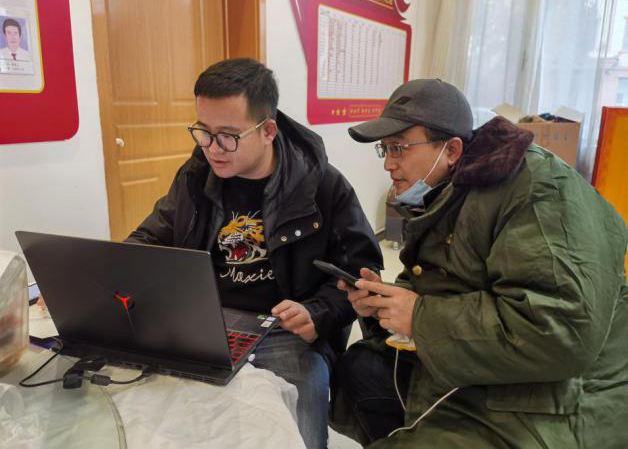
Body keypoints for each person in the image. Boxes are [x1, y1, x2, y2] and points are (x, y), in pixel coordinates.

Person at [330, 79, 628, 448]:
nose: (389, 164)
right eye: (385, 149)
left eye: (399, 148)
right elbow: (446, 277)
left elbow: (560, 329)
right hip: (500, 363)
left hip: (566, 391)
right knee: (360, 369)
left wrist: (419, 316)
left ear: (452, 149)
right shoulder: (451, 189)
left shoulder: (539, 193)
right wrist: (389, 301)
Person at [127, 58, 382, 448]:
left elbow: (360, 272)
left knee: (297, 425)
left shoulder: (322, 186)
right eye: (203, 131)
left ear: (267, 131)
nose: (212, 148)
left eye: (228, 136)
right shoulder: (195, 177)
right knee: (159, 418)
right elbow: (151, 237)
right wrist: (104, 274)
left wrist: (317, 312)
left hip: (284, 331)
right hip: (206, 323)